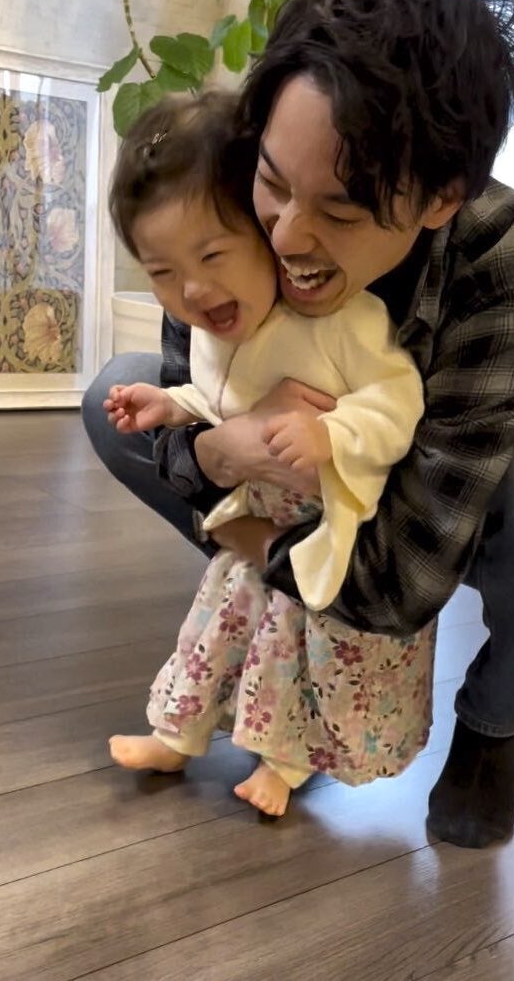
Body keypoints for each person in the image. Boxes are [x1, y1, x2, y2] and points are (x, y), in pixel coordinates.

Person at [83, 0, 514, 847]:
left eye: (341, 212)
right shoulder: (230, 174)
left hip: (458, 494)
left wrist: (254, 528)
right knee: (115, 395)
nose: (285, 235)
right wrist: (218, 449)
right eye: (272, 185)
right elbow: (189, 388)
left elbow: (406, 580)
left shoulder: (507, 260)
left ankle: (495, 718)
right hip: (294, 486)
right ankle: (281, 619)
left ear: (439, 200)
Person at [104, 90, 436, 816]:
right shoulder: (215, 326)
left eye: (211, 255)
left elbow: (397, 402)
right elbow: (221, 398)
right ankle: (176, 733)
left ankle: (284, 765)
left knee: (298, 651)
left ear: (263, 231)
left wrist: (332, 433)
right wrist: (172, 404)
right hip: (256, 520)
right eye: (161, 272)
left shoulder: (341, 320)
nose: (193, 290)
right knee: (212, 625)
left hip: (327, 537)